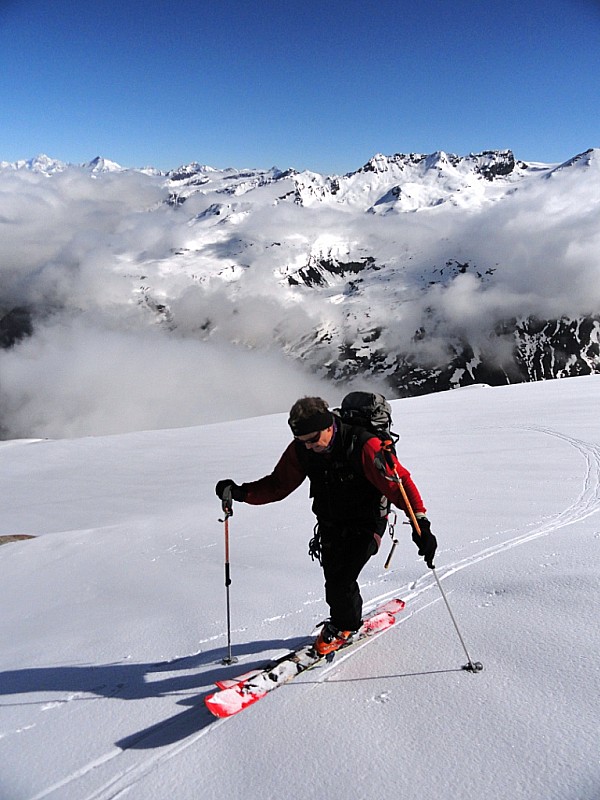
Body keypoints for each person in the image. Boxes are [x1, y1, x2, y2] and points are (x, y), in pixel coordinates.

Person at [215, 396, 437, 656]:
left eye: (312, 440)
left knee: (341, 580)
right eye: (302, 441)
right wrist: (241, 493)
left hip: (367, 522)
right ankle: (346, 619)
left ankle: (345, 626)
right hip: (331, 523)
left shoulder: (363, 444)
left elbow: (399, 483)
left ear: (329, 426)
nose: (308, 447)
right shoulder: (301, 449)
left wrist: (420, 522)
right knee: (334, 580)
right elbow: (278, 485)